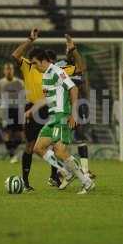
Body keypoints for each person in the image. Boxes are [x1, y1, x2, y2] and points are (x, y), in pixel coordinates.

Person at [11, 29, 86, 190]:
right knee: (31, 146)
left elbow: (80, 68)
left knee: (54, 146)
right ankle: (26, 182)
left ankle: (58, 176)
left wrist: (73, 50)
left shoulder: (58, 71)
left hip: (53, 108)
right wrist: (30, 40)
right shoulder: (31, 66)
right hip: (34, 107)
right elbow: (15, 56)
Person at [28, 48, 95, 194]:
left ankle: (86, 181)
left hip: (62, 116)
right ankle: (66, 171)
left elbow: (73, 89)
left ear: (44, 61)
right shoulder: (46, 75)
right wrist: (32, 110)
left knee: (59, 151)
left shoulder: (57, 71)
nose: (33, 66)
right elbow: (47, 98)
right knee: (38, 148)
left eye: (35, 63)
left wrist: (74, 113)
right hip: (53, 118)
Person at [0, 62, 24, 163]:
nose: (9, 71)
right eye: (7, 69)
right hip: (5, 110)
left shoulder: (20, 83)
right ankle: (12, 155)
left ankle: (13, 150)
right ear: (4, 71)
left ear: (13, 71)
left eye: (11, 69)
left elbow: (25, 97)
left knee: (20, 136)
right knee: (7, 132)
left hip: (17, 110)